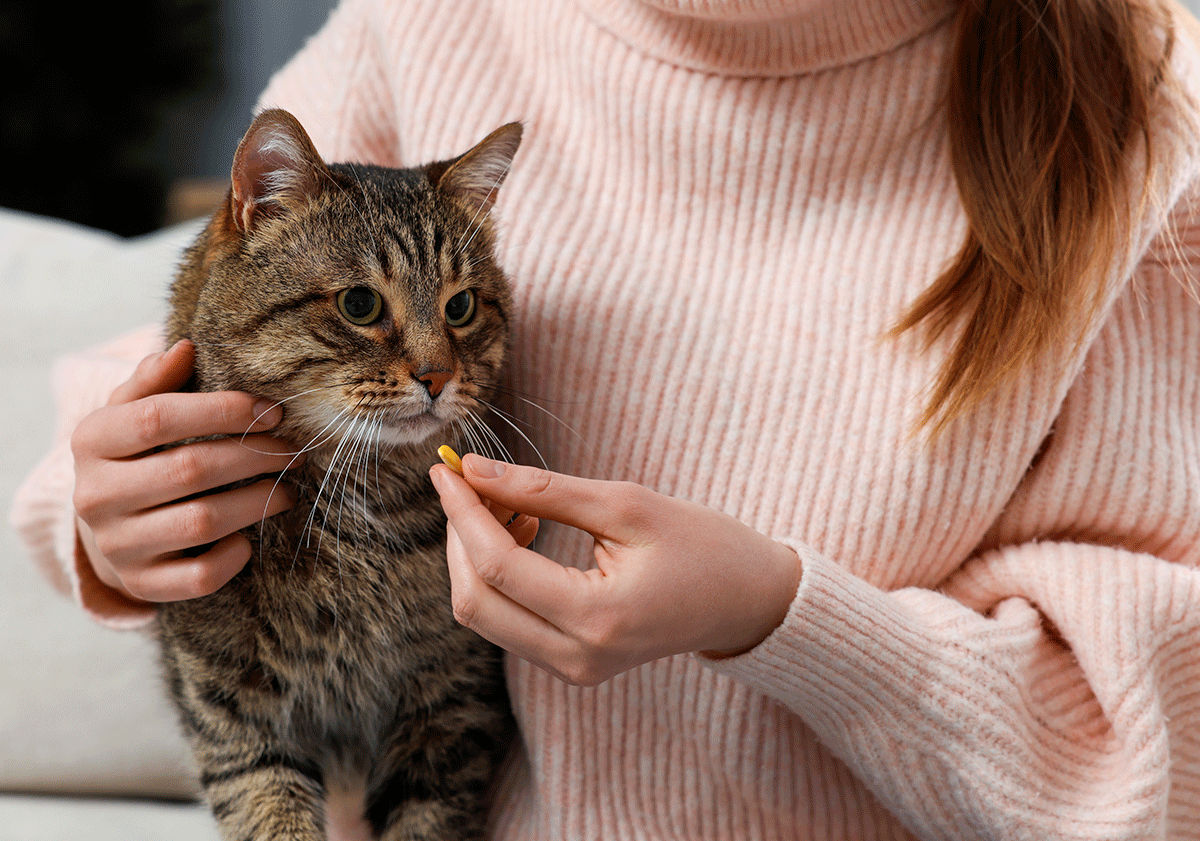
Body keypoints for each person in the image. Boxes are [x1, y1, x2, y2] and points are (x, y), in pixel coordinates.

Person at [13, 0, 1200, 837]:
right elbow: (207, 322)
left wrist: (782, 616)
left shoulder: (1146, 116)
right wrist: (111, 507)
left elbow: (1167, 752)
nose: (429, 364)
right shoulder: (428, 20)